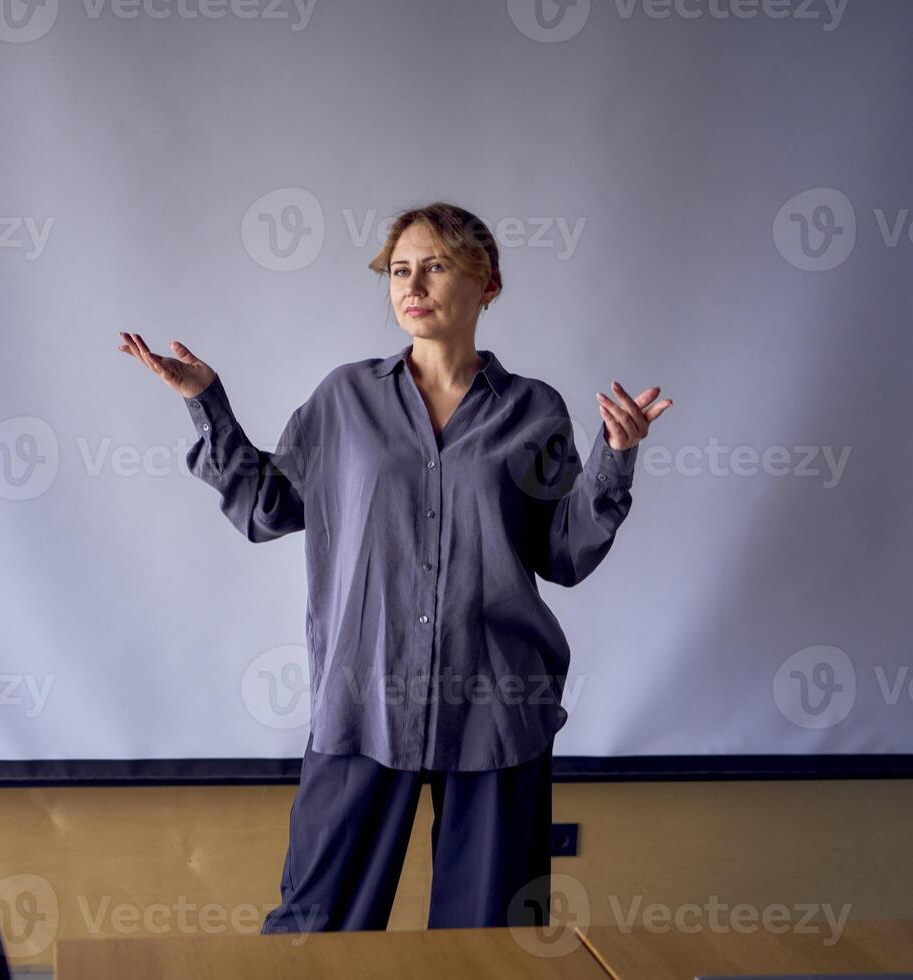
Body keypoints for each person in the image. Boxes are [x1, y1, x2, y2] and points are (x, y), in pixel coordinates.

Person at [117, 201, 671, 933]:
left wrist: (615, 460)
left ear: (488, 284)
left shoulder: (534, 411)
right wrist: (206, 405)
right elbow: (266, 508)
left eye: (435, 266)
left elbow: (562, 554)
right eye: (399, 270)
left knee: (491, 946)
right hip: (362, 697)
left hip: (496, 705)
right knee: (317, 931)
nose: (413, 284)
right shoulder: (344, 399)